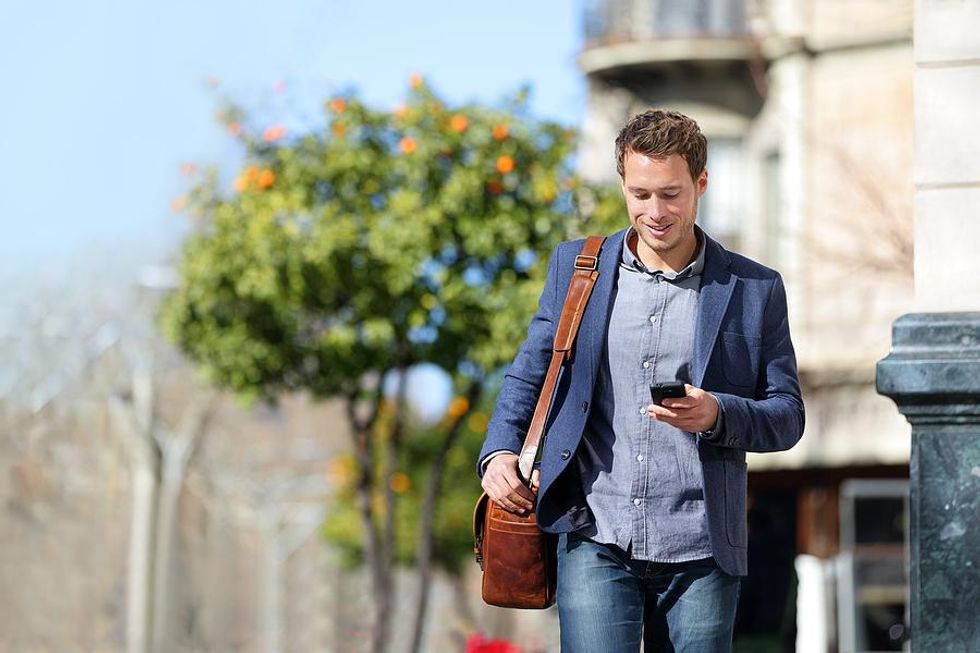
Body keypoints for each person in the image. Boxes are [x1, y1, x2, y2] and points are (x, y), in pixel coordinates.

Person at [477, 109, 804, 652]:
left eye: (672, 194)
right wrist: (499, 452)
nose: (656, 212)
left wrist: (718, 414)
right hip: (594, 532)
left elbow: (788, 416)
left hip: (702, 551)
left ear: (701, 184)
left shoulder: (754, 288)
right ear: (624, 186)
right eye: (641, 194)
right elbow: (531, 371)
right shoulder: (577, 269)